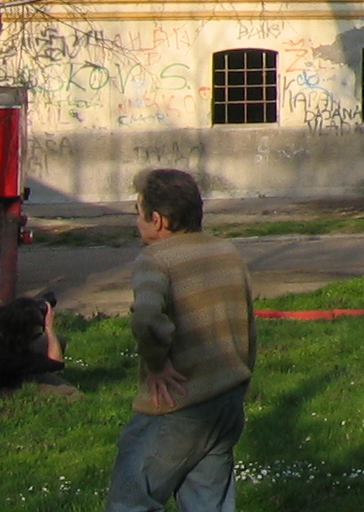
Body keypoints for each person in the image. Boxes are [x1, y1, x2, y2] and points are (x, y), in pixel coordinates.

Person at [107, 169, 255, 512]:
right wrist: (240, 374)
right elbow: (247, 321)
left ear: (157, 220)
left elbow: (146, 317)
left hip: (178, 405)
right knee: (208, 503)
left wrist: (156, 364)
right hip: (226, 398)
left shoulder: (155, 260)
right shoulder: (227, 252)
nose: (136, 220)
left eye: (138, 211)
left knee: (130, 499)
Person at [0, 290, 65, 397]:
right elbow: (57, 362)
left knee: (58, 341)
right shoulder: (10, 356)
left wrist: (29, 308)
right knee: (69, 391)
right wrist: (49, 327)